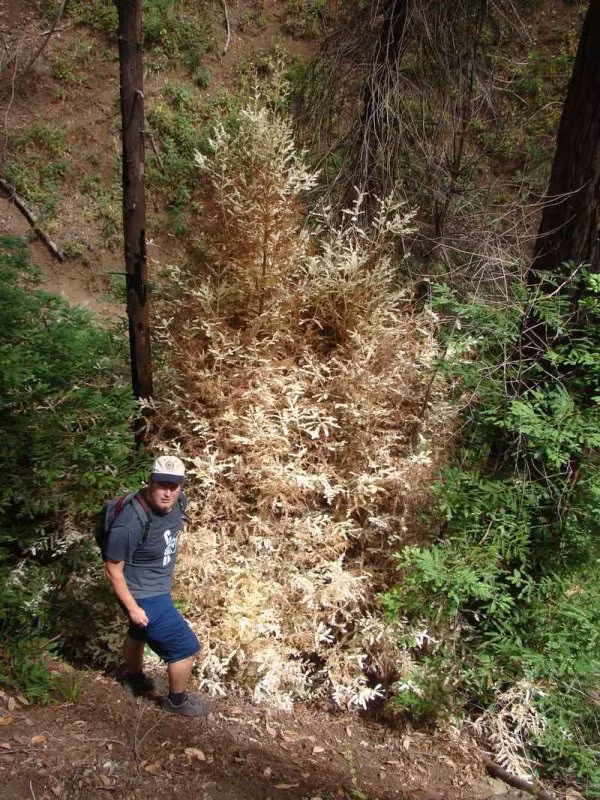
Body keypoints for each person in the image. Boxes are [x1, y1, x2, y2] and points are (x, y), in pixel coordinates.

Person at [103, 455, 212, 717]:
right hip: (143, 595)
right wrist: (132, 608)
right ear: (151, 483)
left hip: (155, 588)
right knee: (186, 648)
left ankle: (134, 677)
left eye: (173, 486)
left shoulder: (178, 503)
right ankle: (177, 701)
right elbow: (112, 570)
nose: (168, 492)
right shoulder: (130, 522)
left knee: (138, 633)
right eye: (162, 485)